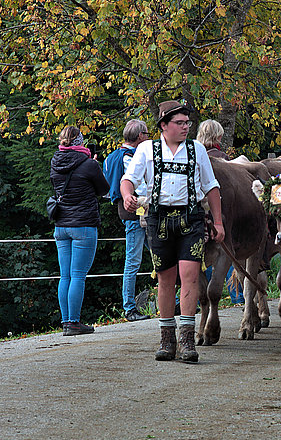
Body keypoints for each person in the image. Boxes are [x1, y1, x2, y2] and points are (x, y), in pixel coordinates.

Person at [121, 100, 225, 363]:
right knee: (165, 279)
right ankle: (167, 339)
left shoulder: (197, 150)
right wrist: (127, 196)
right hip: (159, 219)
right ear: (163, 126)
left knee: (189, 276)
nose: (185, 128)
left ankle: (187, 339)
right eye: (179, 123)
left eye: (187, 123)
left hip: (190, 218)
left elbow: (211, 187)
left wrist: (219, 222)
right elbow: (128, 179)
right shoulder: (147, 149)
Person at [50, 126, 110, 336]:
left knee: (64, 275)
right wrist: (95, 165)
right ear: (80, 142)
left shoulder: (55, 162)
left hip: (61, 225)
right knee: (78, 275)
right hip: (83, 224)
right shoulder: (89, 164)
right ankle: (74, 322)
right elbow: (104, 190)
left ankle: (67, 322)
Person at [102, 119, 150, 322]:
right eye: (146, 134)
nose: (148, 137)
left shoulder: (110, 158)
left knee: (158, 255)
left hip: (127, 212)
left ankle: (172, 301)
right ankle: (129, 308)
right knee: (133, 262)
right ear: (139, 136)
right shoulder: (130, 157)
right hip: (137, 212)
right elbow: (138, 186)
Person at [196, 118, 243, 305]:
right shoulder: (223, 159)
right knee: (226, 253)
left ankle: (201, 298)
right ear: (218, 136)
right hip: (221, 213)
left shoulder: (194, 157)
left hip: (197, 216)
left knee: (201, 258)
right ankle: (237, 297)